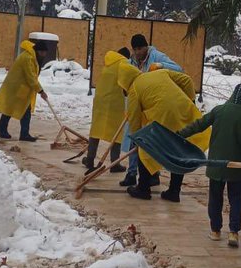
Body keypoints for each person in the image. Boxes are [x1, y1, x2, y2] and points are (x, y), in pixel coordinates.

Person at [117, 61, 209, 201]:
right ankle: (174, 191)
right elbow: (187, 80)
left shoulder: (134, 90)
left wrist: (137, 140)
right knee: (179, 149)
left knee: (146, 149)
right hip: (184, 110)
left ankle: (143, 189)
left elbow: (134, 120)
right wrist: (190, 100)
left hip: (163, 118)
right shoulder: (159, 73)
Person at [179, 84, 241, 247]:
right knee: (235, 199)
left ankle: (215, 230)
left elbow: (199, 125)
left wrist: (180, 135)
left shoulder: (218, 110)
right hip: (236, 167)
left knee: (215, 198)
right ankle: (234, 233)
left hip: (216, 165)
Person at [120, 34, 183, 188]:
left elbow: (179, 69)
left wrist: (161, 66)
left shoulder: (157, 56)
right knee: (134, 137)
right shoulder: (132, 61)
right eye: (134, 50)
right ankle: (131, 173)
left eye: (140, 49)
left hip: (153, 106)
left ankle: (152, 175)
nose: (137, 52)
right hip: (138, 104)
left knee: (151, 143)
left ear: (146, 47)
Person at [84, 47, 131, 173]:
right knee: (117, 133)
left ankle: (89, 159)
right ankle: (115, 163)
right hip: (114, 103)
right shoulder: (124, 64)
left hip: (100, 101)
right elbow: (127, 84)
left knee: (96, 131)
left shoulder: (108, 63)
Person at [0, 39, 48, 142]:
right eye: (42, 52)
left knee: (17, 109)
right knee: (13, 109)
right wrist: (41, 91)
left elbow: (32, 77)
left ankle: (11, 131)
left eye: (45, 52)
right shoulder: (28, 58)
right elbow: (31, 77)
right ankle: (18, 133)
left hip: (21, 87)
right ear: (38, 51)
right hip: (16, 87)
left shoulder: (32, 57)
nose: (44, 55)